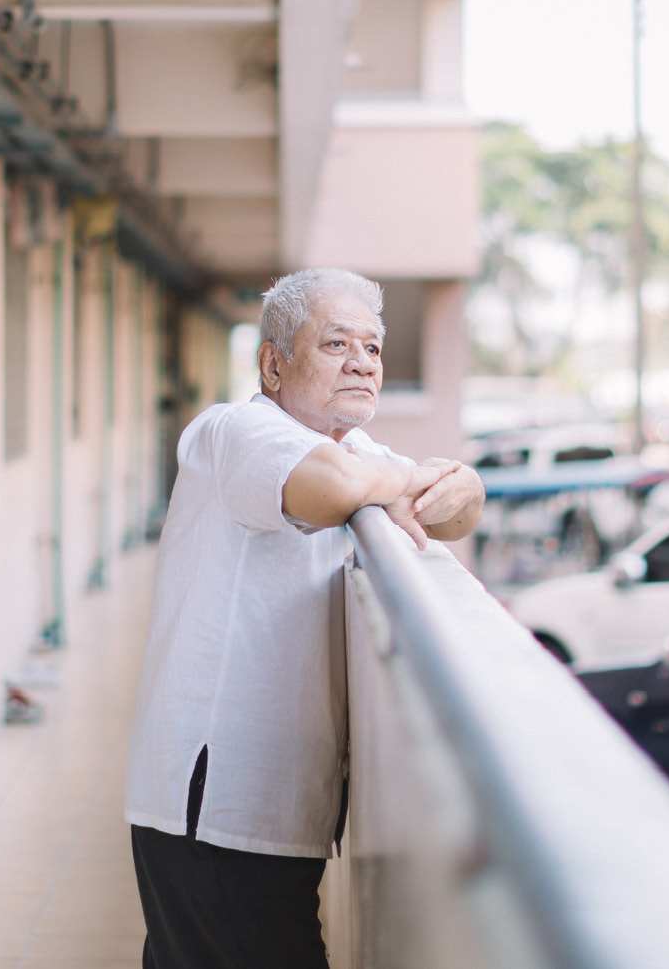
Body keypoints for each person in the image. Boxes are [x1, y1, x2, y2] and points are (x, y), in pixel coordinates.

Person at [123, 268, 484, 969]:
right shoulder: (239, 431)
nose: (363, 363)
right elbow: (332, 490)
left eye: (373, 348)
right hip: (218, 796)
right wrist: (411, 482)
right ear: (273, 364)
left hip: (274, 796)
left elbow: (458, 513)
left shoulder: (359, 452)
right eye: (336, 343)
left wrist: (461, 481)